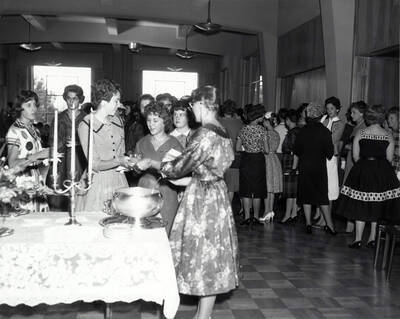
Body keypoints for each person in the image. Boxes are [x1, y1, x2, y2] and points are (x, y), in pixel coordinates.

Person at [136, 85, 238, 319]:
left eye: (193, 106)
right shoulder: (222, 132)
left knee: (201, 255)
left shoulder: (205, 133)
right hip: (216, 193)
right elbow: (210, 168)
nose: (192, 111)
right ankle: (204, 315)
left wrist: (153, 164)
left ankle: (202, 316)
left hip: (203, 201)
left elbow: (178, 167)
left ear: (202, 104)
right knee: (211, 256)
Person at [337, 105, 400, 248]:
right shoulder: (388, 135)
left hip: (363, 169)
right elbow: (389, 158)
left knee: (360, 204)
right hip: (382, 171)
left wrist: (365, 165)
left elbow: (355, 156)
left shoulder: (361, 133)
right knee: (377, 204)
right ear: (382, 117)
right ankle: (372, 238)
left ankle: (358, 239)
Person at [76, 79, 130, 212]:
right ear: (104, 102)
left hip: (118, 179)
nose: (119, 104)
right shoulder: (86, 125)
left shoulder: (117, 120)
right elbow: (93, 163)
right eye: (116, 101)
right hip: (96, 182)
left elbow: (121, 153)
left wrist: (128, 163)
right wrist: (119, 161)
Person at [133, 101, 183, 235]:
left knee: (165, 233)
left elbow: (179, 172)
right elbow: (135, 174)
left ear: (164, 122)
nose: (151, 124)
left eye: (155, 120)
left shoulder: (174, 143)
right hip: (145, 193)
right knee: (144, 234)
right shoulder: (142, 143)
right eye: (149, 120)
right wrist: (136, 167)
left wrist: (151, 163)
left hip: (167, 193)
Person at [294, 102, 336, 235]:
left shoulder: (302, 131)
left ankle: (308, 224)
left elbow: (297, 150)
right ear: (320, 115)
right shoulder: (325, 131)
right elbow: (330, 153)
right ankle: (330, 225)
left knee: (305, 196)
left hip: (305, 166)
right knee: (322, 196)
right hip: (319, 167)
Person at [6, 90, 49, 212]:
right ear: (19, 108)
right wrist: (37, 156)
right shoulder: (14, 131)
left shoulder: (34, 129)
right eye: (28, 105)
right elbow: (12, 164)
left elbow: (39, 156)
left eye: (35, 105)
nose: (33, 109)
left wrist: (50, 154)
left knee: (40, 220)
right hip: (22, 181)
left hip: (36, 178)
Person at [48, 84, 87, 211]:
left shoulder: (86, 118)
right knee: (60, 200)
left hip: (81, 162)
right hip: (62, 163)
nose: (71, 101)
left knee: (81, 199)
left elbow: (92, 143)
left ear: (80, 99)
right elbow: (52, 142)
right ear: (65, 98)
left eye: (75, 98)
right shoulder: (59, 118)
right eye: (69, 98)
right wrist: (63, 143)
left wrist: (78, 144)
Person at [314, 96, 345, 226]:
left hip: (331, 158)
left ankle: (326, 220)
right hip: (320, 156)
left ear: (337, 109)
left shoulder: (340, 123)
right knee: (321, 187)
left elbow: (332, 140)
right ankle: (321, 217)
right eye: (327, 108)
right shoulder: (323, 119)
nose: (329, 111)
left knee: (329, 188)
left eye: (332, 108)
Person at [237, 104, 267, 225]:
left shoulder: (243, 129)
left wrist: (247, 149)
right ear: (258, 117)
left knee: (246, 189)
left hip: (246, 160)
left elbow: (237, 147)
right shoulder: (262, 130)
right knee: (258, 190)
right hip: (258, 160)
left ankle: (246, 217)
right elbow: (267, 149)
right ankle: (255, 216)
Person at [342, 101, 368, 233]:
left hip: (355, 164)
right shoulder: (357, 126)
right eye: (351, 112)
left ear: (362, 114)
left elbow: (361, 148)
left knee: (353, 194)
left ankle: (351, 227)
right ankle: (349, 226)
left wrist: (348, 147)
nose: (351, 115)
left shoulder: (362, 128)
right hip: (351, 163)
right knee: (351, 194)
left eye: (354, 113)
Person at [219, 99, 243, 203]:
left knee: (220, 186)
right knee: (231, 187)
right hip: (236, 156)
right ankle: (228, 211)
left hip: (220, 157)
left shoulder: (218, 122)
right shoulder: (239, 123)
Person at [260, 111, 283, 222]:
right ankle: (270, 210)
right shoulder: (276, 133)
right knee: (271, 189)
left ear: (267, 122)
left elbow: (266, 149)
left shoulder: (266, 134)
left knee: (267, 188)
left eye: (264, 121)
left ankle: (266, 211)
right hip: (274, 160)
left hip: (267, 159)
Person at [280, 110, 301, 223]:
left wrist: (293, 167)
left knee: (289, 193)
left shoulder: (293, 133)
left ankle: (288, 215)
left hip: (291, 163)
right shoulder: (298, 131)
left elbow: (295, 151)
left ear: (288, 120)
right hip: (294, 164)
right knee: (293, 192)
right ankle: (293, 214)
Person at [387, 106, 399, 175]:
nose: (388, 120)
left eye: (392, 118)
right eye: (388, 117)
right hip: (391, 168)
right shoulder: (390, 133)